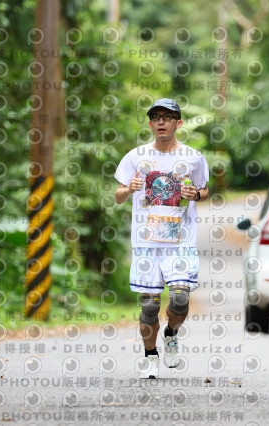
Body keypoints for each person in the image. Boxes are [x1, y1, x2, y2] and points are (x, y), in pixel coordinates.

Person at [114, 98, 209, 379]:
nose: (161, 122)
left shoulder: (193, 157)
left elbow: (204, 191)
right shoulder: (136, 156)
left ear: (178, 123)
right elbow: (118, 196)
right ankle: (150, 356)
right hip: (147, 243)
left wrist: (196, 195)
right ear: (150, 123)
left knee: (180, 299)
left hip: (180, 241)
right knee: (149, 306)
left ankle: (171, 334)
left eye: (167, 117)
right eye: (156, 117)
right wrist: (129, 189)